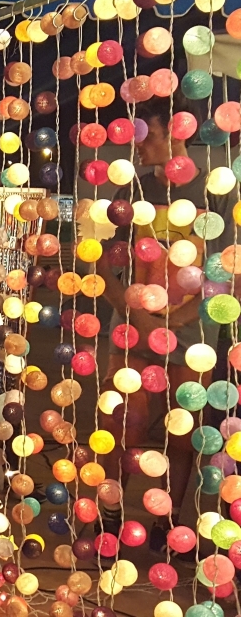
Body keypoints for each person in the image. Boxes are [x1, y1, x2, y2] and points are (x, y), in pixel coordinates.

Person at [96, 98, 231, 536]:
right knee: (120, 423)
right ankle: (109, 512)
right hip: (133, 331)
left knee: (180, 430)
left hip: (191, 337)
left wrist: (175, 320)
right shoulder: (131, 191)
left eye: (147, 136)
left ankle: (167, 522)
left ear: (178, 131)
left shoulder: (214, 192)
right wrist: (130, 309)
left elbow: (225, 269)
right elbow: (104, 260)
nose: (137, 146)